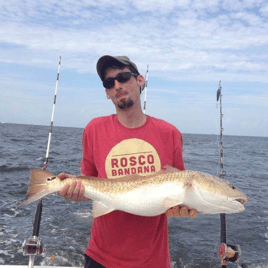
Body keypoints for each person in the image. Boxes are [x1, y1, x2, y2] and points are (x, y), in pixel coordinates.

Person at [59, 55, 197, 268]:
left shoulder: (170, 133)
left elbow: (179, 191)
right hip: (100, 258)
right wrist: (76, 190)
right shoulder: (93, 129)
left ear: (139, 80)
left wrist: (183, 208)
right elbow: (90, 183)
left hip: (153, 261)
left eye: (123, 77)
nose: (117, 85)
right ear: (106, 92)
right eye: (109, 82)